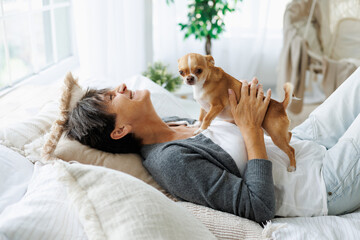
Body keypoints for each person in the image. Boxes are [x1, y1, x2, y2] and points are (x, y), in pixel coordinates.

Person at [65, 69, 360, 223]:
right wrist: (249, 127)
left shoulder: (176, 122)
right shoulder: (171, 162)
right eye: (111, 98)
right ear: (120, 131)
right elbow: (258, 207)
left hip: (306, 143)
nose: (121, 88)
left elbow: (236, 129)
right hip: (324, 183)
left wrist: (245, 101)